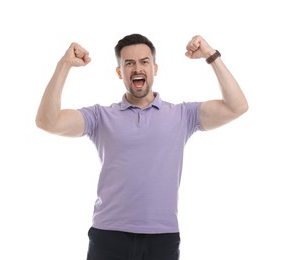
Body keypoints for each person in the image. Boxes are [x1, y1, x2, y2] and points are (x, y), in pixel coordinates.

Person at [36, 33, 248, 260]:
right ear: (120, 72)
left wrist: (211, 55)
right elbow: (47, 121)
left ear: (155, 69)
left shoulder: (182, 115)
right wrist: (64, 64)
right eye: (129, 63)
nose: (137, 68)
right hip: (109, 235)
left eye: (144, 62)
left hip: (162, 237)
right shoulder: (100, 117)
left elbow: (237, 106)